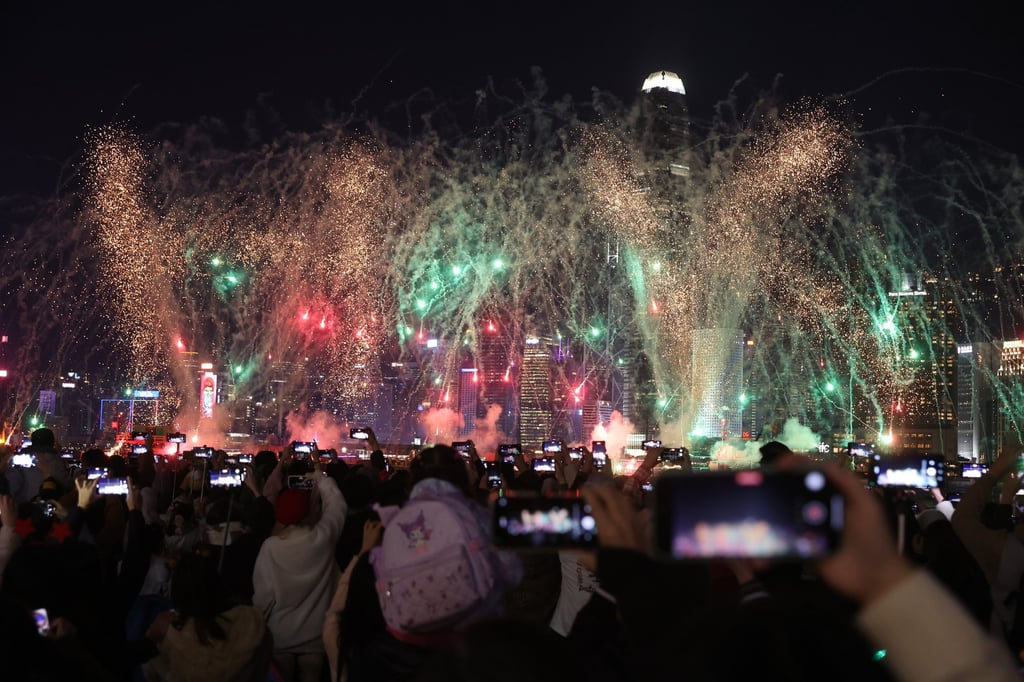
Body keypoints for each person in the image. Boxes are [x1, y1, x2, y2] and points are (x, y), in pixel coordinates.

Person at [253, 460, 347, 682]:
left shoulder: (271, 548)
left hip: (280, 635)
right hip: (315, 636)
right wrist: (320, 479)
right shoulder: (323, 538)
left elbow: (264, 597)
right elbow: (337, 506)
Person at [143, 552, 271, 682]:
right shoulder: (253, 623)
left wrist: (152, 638)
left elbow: (150, 673)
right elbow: (261, 668)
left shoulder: (169, 632)